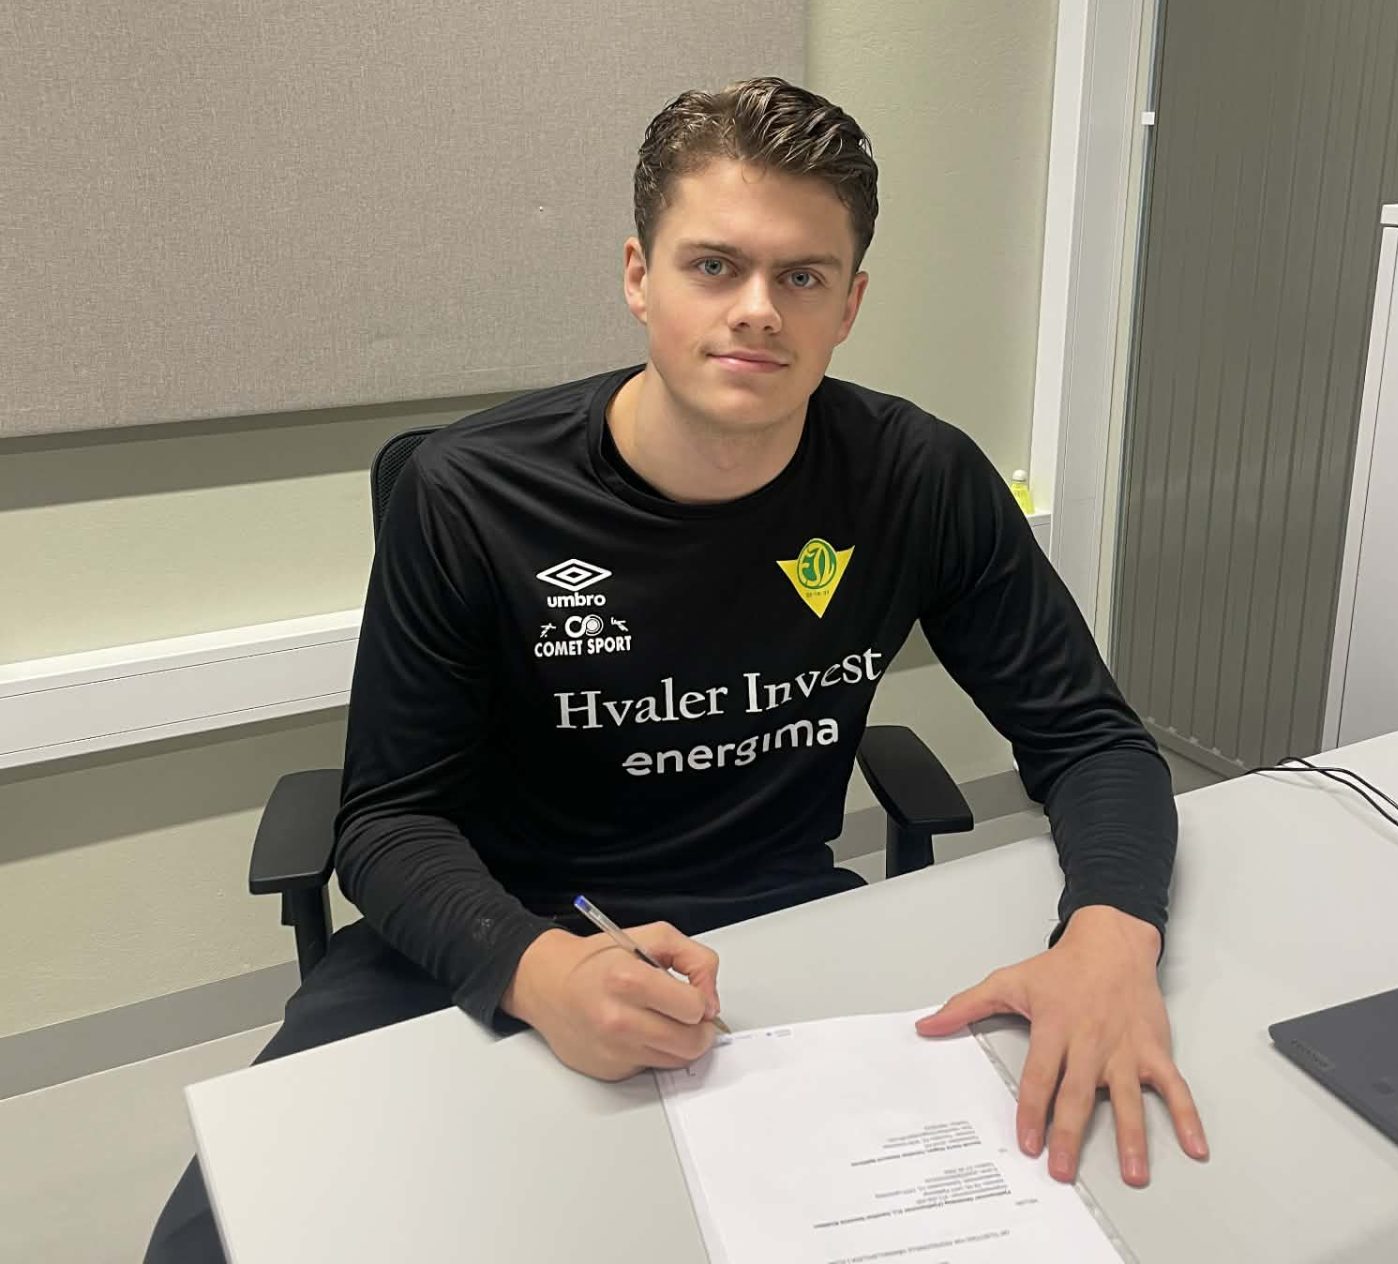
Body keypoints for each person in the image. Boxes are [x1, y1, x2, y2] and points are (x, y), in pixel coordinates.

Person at [147, 76, 1207, 1261]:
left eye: (801, 277)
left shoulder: (919, 477)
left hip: (772, 930)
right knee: (214, 1241)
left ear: (849, 304)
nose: (757, 310)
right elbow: (388, 820)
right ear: (638, 277)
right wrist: (536, 971)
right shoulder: (468, 494)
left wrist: (1111, 933)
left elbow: (1091, 738)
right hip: (487, 926)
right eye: (714, 266)